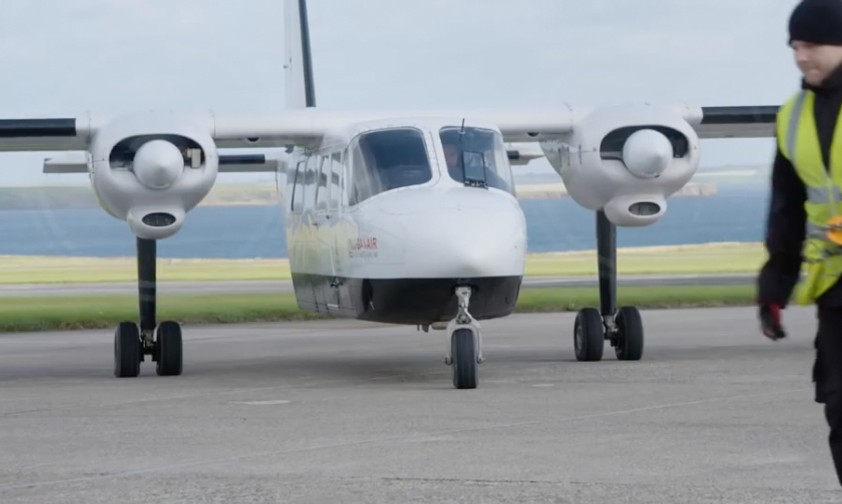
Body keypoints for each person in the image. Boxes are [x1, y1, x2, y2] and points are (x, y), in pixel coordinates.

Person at [757, 0, 842, 486]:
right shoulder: (793, 116)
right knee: (840, 409)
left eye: (812, 45)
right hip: (836, 287)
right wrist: (774, 287)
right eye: (795, 46)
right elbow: (785, 210)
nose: (800, 57)